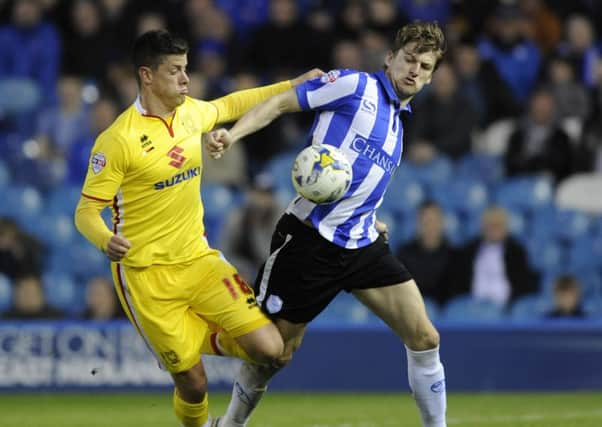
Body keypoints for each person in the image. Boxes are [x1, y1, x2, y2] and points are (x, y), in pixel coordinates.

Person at [73, 29, 321, 427]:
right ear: (147, 76)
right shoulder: (116, 140)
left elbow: (233, 103)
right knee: (194, 384)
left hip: (199, 262)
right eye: (175, 71)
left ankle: (200, 339)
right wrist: (105, 240)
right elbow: (85, 212)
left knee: (271, 348)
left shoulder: (190, 112)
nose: (186, 79)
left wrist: (292, 86)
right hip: (146, 277)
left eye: (186, 69)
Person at [206, 21, 447, 427]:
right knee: (275, 353)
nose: (414, 71)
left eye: (424, 67)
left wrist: (370, 219)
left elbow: (363, 181)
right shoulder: (355, 87)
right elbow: (283, 102)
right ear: (390, 58)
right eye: (409, 60)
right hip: (309, 242)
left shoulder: (398, 124)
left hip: (361, 244)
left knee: (425, 338)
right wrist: (234, 134)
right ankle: (229, 424)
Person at [449, 206, 538, 307]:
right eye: (490, 225)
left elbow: (524, 285)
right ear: (482, 227)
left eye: (498, 225)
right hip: (472, 309)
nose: (494, 229)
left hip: (506, 310)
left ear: (506, 227)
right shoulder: (467, 252)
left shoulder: (517, 253)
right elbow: (457, 284)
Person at [396, 201, 453, 305]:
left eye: (434, 221)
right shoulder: (404, 255)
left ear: (442, 223)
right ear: (418, 224)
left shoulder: (454, 256)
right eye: (425, 222)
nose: (430, 227)